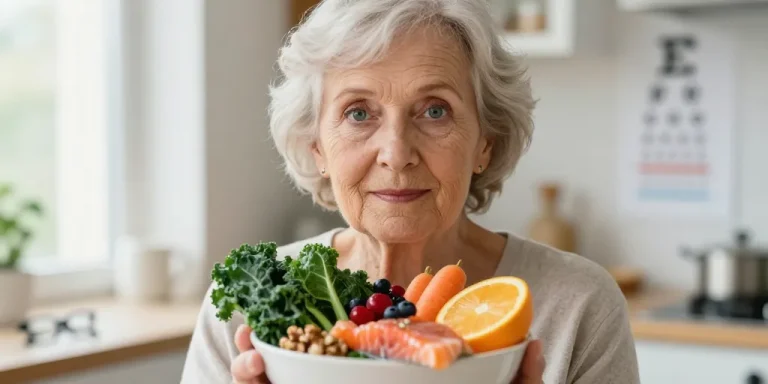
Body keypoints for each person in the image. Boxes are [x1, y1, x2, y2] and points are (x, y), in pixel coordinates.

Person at [181, 0, 640, 383]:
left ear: (485, 142)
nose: (397, 153)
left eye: (435, 110)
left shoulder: (578, 306)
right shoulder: (245, 309)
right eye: (359, 113)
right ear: (317, 146)